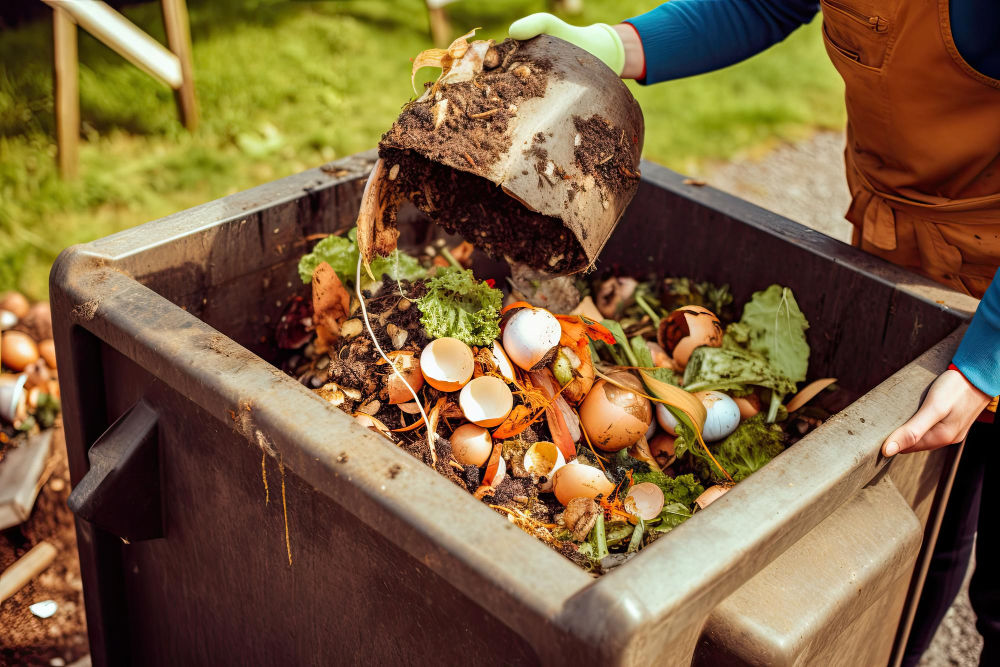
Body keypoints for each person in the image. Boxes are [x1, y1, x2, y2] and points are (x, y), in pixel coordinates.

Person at [507, 3, 1000, 664]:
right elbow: (762, 2)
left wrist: (987, 358)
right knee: (929, 518)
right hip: (918, 250)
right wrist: (616, 46)